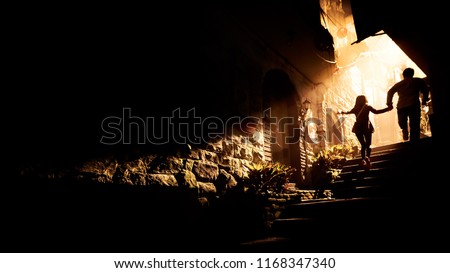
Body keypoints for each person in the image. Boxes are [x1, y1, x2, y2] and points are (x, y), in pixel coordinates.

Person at [339, 95, 393, 168]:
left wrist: (341, 112)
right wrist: (387, 109)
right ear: (365, 100)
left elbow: (348, 112)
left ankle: (363, 159)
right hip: (366, 128)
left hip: (358, 128)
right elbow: (377, 112)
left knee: (363, 145)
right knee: (368, 145)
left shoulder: (355, 108)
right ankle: (367, 158)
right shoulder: (367, 107)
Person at [386, 67, 430, 142]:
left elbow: (390, 92)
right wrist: (424, 100)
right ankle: (414, 141)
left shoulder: (399, 84)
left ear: (403, 75)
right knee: (414, 123)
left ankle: (404, 129)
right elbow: (425, 90)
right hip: (414, 104)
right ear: (412, 74)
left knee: (402, 121)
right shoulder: (418, 81)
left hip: (402, 106)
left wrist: (389, 103)